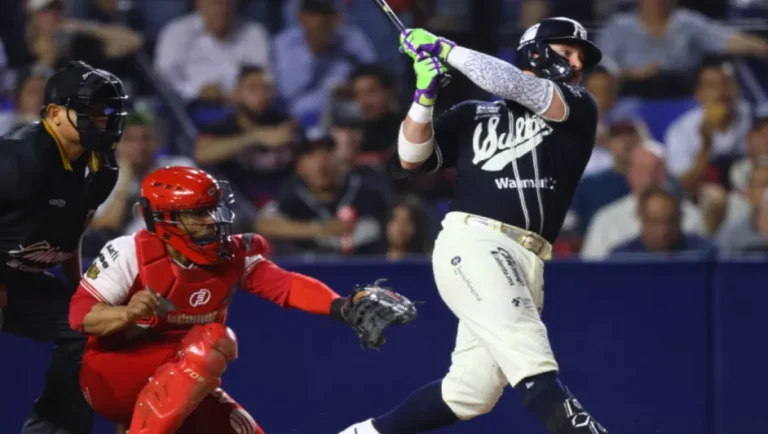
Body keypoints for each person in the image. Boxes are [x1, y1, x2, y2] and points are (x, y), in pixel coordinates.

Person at [342, 17, 608, 434]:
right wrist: (424, 95)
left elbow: (516, 86)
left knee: (469, 393)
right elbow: (411, 160)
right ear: (535, 51)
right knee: (534, 367)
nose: (576, 62)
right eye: (567, 50)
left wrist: (444, 49)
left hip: (526, 257)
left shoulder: (576, 105)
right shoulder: (472, 114)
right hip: (477, 242)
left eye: (581, 56)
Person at [69, 166, 416, 433]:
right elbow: (80, 315)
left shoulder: (230, 255)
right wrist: (126, 313)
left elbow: (285, 285)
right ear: (161, 219)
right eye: (198, 213)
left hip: (183, 378)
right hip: (111, 375)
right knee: (213, 342)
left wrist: (341, 306)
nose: (212, 221)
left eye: (213, 210)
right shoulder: (128, 251)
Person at [0, 60, 128, 433]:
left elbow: (71, 232)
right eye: (89, 110)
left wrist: (82, 289)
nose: (102, 119)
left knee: (90, 327)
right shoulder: (15, 159)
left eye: (107, 111)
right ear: (55, 114)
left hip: (23, 283)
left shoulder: (103, 168)